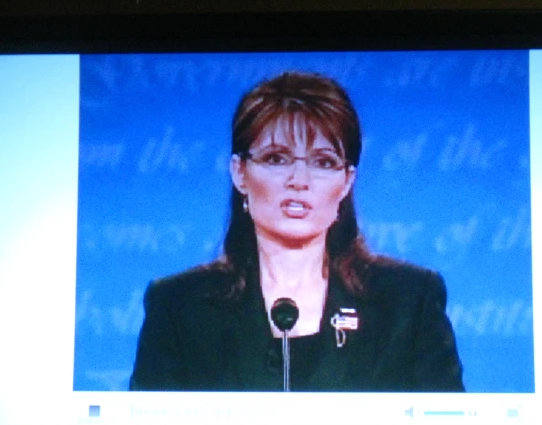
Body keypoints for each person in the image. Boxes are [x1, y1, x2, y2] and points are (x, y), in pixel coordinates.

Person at [129, 71, 464, 392]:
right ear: (240, 172)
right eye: (277, 159)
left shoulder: (408, 300)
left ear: (346, 181)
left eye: (323, 162)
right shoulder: (179, 305)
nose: (299, 181)